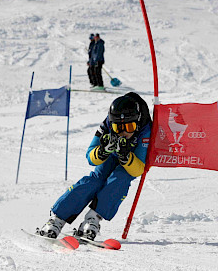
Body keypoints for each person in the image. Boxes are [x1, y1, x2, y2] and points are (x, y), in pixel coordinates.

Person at [39, 92, 152, 240]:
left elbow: (139, 169)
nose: (123, 132)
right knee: (95, 180)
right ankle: (56, 219)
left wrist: (126, 156)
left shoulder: (145, 129)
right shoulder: (107, 125)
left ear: (136, 123)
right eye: (118, 128)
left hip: (131, 159)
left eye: (129, 127)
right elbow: (90, 157)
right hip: (111, 154)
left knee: (121, 178)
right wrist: (103, 151)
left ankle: (93, 219)